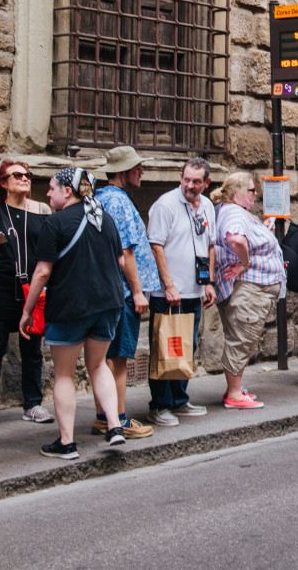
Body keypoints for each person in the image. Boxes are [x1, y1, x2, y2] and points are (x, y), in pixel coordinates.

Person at [21, 168, 127, 458]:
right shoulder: (104, 219)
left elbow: (42, 271)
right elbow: (120, 260)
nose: (48, 192)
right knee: (99, 365)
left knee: (65, 375)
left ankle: (66, 442)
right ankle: (115, 426)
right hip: (108, 303)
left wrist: (28, 311)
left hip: (69, 306)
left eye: (52, 187)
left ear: (68, 191)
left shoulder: (55, 224)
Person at [0, 160, 53, 431]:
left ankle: (32, 403)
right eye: (17, 175)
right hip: (1, 287)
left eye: (28, 175)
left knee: (32, 349)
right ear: (3, 183)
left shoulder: (43, 211)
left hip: (33, 289)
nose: (25, 178)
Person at [144, 158, 217, 427]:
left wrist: (208, 282)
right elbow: (156, 246)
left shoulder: (207, 205)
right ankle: (159, 405)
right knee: (165, 346)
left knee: (187, 347)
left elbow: (211, 245)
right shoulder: (166, 205)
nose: (190, 185)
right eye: (186, 179)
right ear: (180, 177)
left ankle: (179, 399)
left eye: (197, 181)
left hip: (193, 289)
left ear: (206, 183)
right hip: (169, 293)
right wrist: (168, 284)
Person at [92, 146, 155, 440]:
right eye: (136, 167)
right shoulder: (118, 202)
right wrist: (138, 291)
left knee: (104, 357)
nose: (141, 171)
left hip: (109, 289)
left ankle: (104, 416)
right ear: (122, 172)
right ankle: (118, 417)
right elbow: (126, 251)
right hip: (124, 294)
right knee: (119, 358)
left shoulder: (102, 199)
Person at [211, 172, 284, 409]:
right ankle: (233, 394)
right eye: (251, 190)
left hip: (252, 288)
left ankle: (234, 388)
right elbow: (235, 239)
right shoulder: (233, 212)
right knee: (241, 337)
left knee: (243, 335)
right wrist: (244, 263)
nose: (256, 195)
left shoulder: (234, 211)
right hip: (249, 287)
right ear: (236, 192)